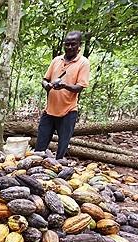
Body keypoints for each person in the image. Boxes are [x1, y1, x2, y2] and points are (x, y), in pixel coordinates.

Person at [35, 31, 90, 160]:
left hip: (68, 111)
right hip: (49, 110)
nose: (70, 47)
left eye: (73, 44)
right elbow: (45, 79)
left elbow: (79, 87)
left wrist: (64, 86)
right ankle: (35, 172)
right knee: (40, 146)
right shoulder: (56, 60)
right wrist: (46, 85)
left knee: (62, 147)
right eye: (67, 44)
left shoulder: (83, 63)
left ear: (79, 45)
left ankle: (57, 168)